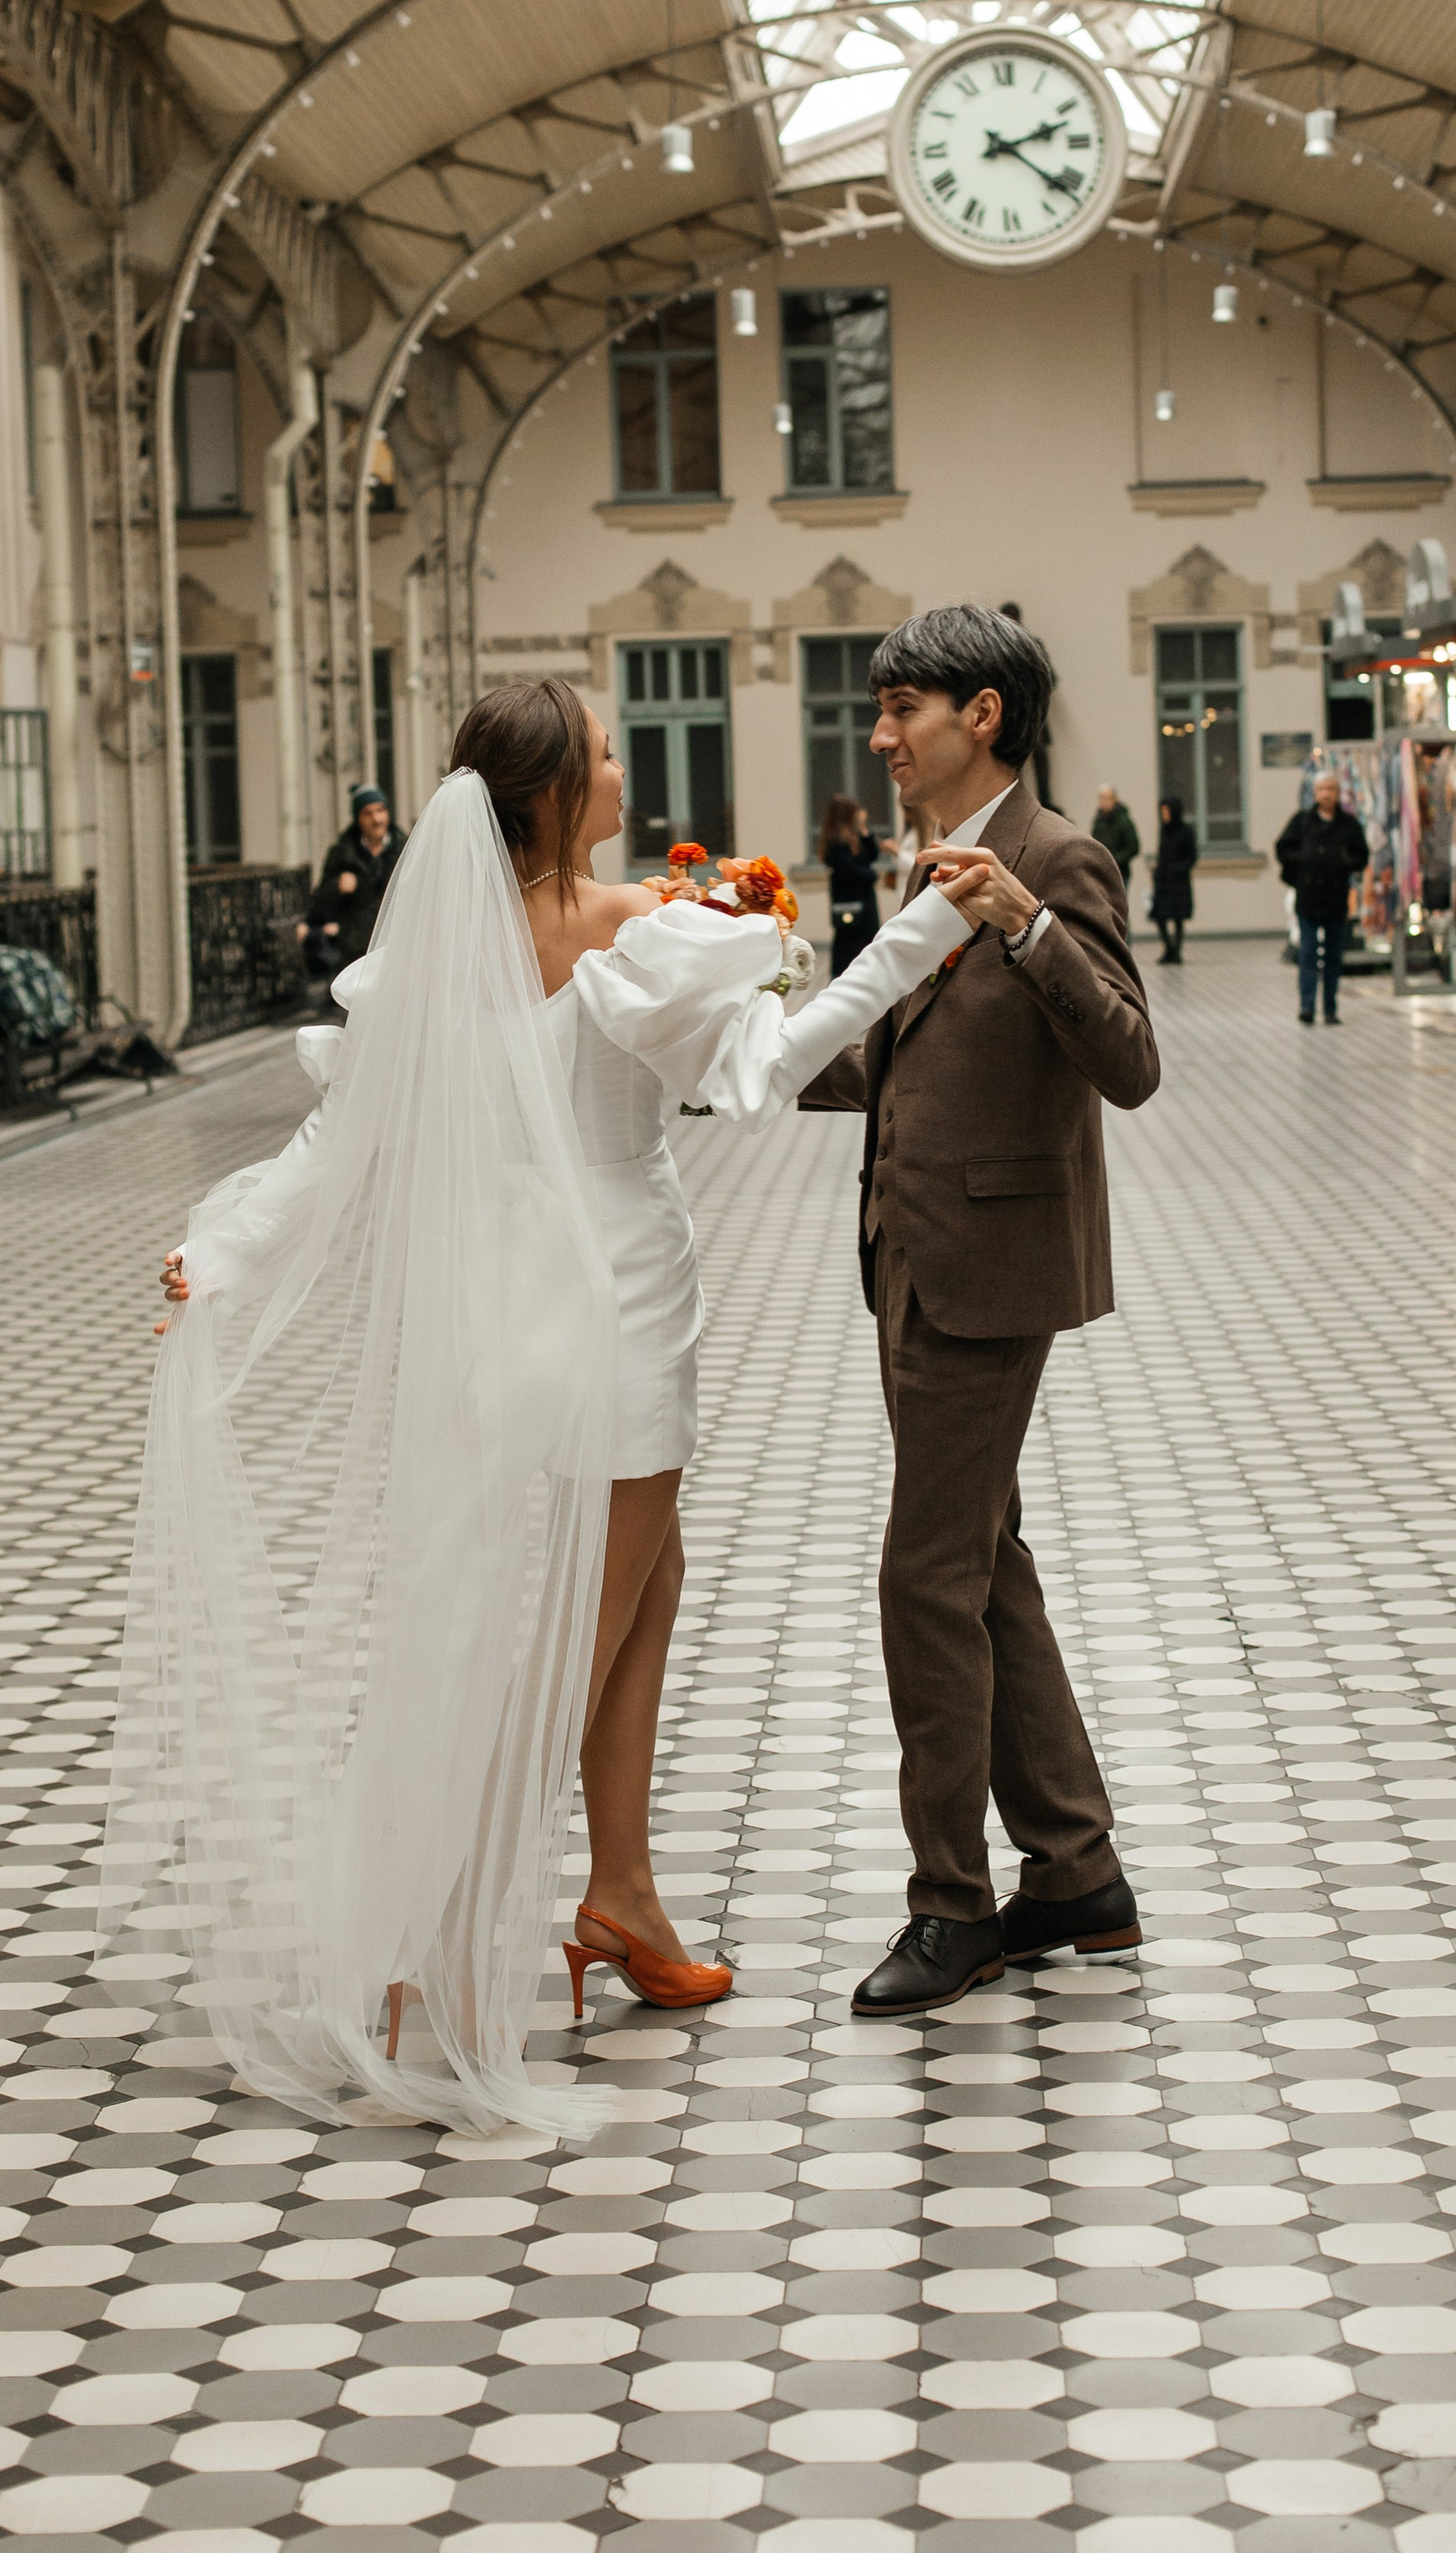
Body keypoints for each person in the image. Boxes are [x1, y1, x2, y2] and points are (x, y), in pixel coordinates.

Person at [120, 684, 988, 2136]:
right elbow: (767, 1068)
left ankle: (622, 1897)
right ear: (548, 795)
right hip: (619, 1306)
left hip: (492, 1311)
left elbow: (344, 1139)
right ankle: (431, 1950)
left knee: (649, 1583)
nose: (619, 764)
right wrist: (928, 932)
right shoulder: (633, 930)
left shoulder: (441, 960)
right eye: (598, 750)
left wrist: (224, 1251)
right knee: (573, 1641)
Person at [801, 605, 1160, 2020]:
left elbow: (1128, 1061)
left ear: (984, 716)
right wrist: (725, 1060)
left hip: (991, 1266)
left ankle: (952, 1908)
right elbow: (898, 1056)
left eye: (903, 710)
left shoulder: (1053, 859)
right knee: (983, 1557)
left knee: (925, 1576)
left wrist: (1024, 930)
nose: (881, 736)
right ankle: (1075, 1870)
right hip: (910, 1248)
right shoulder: (925, 863)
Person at [1276, 766, 1369, 1027]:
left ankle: (1330, 1007)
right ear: (1314, 793)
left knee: (1332, 957)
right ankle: (1307, 1006)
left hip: (1336, 898)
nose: (1326, 794)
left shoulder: (1348, 825)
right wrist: (1303, 864)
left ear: (1338, 793)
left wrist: (1343, 862)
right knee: (1307, 954)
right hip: (1308, 898)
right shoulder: (1302, 821)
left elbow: (1361, 856)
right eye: (1321, 789)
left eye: (1330, 789)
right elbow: (1283, 848)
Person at [300, 783, 403, 984]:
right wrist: (338, 886)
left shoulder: (404, 848)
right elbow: (319, 903)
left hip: (396, 945)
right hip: (356, 951)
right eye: (368, 813)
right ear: (358, 818)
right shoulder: (342, 853)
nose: (376, 819)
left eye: (381, 810)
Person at [822, 794, 883, 977]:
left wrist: (864, 830)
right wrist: (871, 875)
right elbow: (851, 870)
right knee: (849, 942)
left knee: (860, 941)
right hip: (851, 901)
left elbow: (871, 856)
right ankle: (847, 977)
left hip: (860, 901)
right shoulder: (837, 841)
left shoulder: (851, 836)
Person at [1150, 796, 1197, 965]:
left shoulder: (1186, 831)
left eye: (1166, 811)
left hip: (1178, 881)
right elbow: (1162, 853)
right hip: (1163, 881)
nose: (1164, 815)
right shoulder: (1164, 831)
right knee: (1160, 916)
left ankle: (1176, 951)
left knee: (1178, 918)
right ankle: (1168, 948)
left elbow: (1191, 857)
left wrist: (1177, 869)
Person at [1090, 787, 1140, 884]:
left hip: (1120, 872)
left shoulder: (1124, 821)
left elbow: (1133, 847)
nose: (1105, 802)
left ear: (1115, 799)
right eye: (1102, 798)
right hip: (1101, 871)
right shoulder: (1098, 821)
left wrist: (1116, 859)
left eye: (1108, 798)